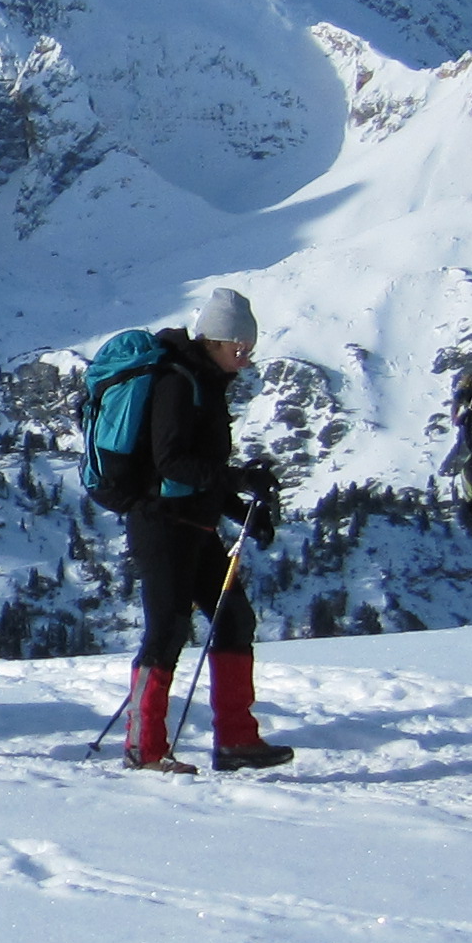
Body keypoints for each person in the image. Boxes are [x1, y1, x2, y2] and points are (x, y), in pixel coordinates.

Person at [114, 290, 290, 772]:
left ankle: (237, 740)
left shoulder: (206, 383)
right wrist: (238, 482)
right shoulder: (178, 382)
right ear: (215, 339)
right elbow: (172, 462)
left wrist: (239, 507)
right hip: (161, 523)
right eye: (240, 345)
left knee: (234, 619)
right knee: (167, 629)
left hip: (193, 523)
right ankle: (143, 746)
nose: (246, 355)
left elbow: (199, 469)